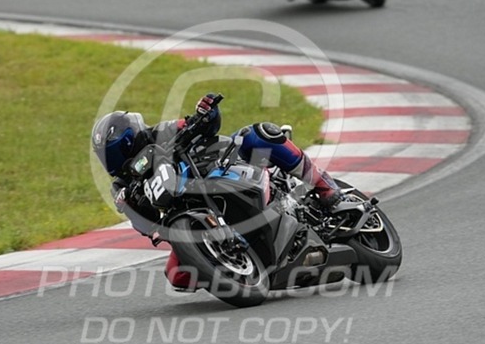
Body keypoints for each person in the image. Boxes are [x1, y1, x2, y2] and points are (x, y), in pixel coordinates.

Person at [91, 94, 343, 288]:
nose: (111, 160)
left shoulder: (159, 132)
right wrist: (150, 226)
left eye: (113, 151)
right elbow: (139, 219)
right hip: (188, 212)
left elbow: (205, 124)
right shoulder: (121, 186)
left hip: (222, 165)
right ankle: (235, 266)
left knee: (259, 134)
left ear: (128, 138)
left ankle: (325, 186)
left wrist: (205, 111)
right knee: (178, 276)